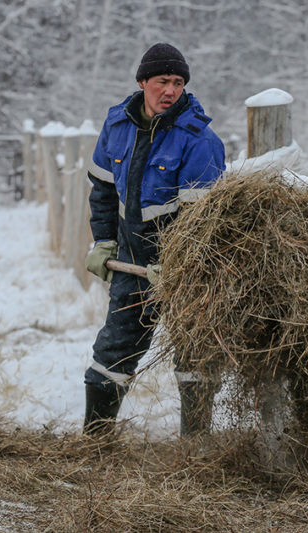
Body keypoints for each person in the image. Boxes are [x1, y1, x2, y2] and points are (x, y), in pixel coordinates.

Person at [82, 43, 225, 437]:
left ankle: (196, 447)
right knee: (113, 348)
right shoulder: (117, 125)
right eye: (163, 81)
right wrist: (104, 242)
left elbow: (201, 220)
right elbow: (104, 191)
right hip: (131, 256)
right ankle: (93, 442)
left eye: (178, 83)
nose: (171, 90)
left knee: (195, 354)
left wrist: (180, 262)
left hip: (185, 266)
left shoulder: (199, 140)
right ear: (142, 82)